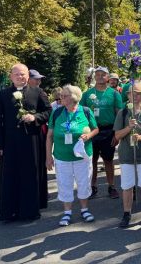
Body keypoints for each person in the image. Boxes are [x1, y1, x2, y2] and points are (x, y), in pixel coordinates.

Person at [0, 63, 52, 222]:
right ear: (11, 76)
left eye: (23, 74)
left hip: (32, 141)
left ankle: (30, 211)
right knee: (9, 175)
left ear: (28, 76)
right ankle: (9, 211)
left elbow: (48, 112)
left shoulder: (37, 92)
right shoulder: (2, 95)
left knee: (30, 174)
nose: (20, 77)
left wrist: (35, 118)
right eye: (17, 74)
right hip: (9, 142)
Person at [45, 84, 99, 226]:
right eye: (60, 96)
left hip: (82, 156)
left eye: (64, 96)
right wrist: (48, 156)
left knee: (84, 183)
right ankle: (67, 213)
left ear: (74, 98)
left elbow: (96, 129)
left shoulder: (86, 111)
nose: (60, 98)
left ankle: (85, 209)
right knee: (64, 184)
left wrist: (88, 135)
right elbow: (49, 136)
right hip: (62, 157)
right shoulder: (56, 113)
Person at [114, 82, 141, 228]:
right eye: (132, 93)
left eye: (138, 93)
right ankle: (127, 213)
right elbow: (118, 135)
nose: (135, 96)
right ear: (127, 95)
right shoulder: (123, 112)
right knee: (127, 186)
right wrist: (129, 128)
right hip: (127, 155)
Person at [80, 66, 123, 199]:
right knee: (91, 160)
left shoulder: (114, 94)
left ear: (108, 78)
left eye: (102, 74)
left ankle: (111, 187)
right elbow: (81, 113)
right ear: (94, 77)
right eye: (97, 74)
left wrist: (117, 134)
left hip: (108, 130)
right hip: (92, 131)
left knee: (108, 160)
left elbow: (119, 114)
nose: (99, 76)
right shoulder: (87, 94)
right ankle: (92, 187)